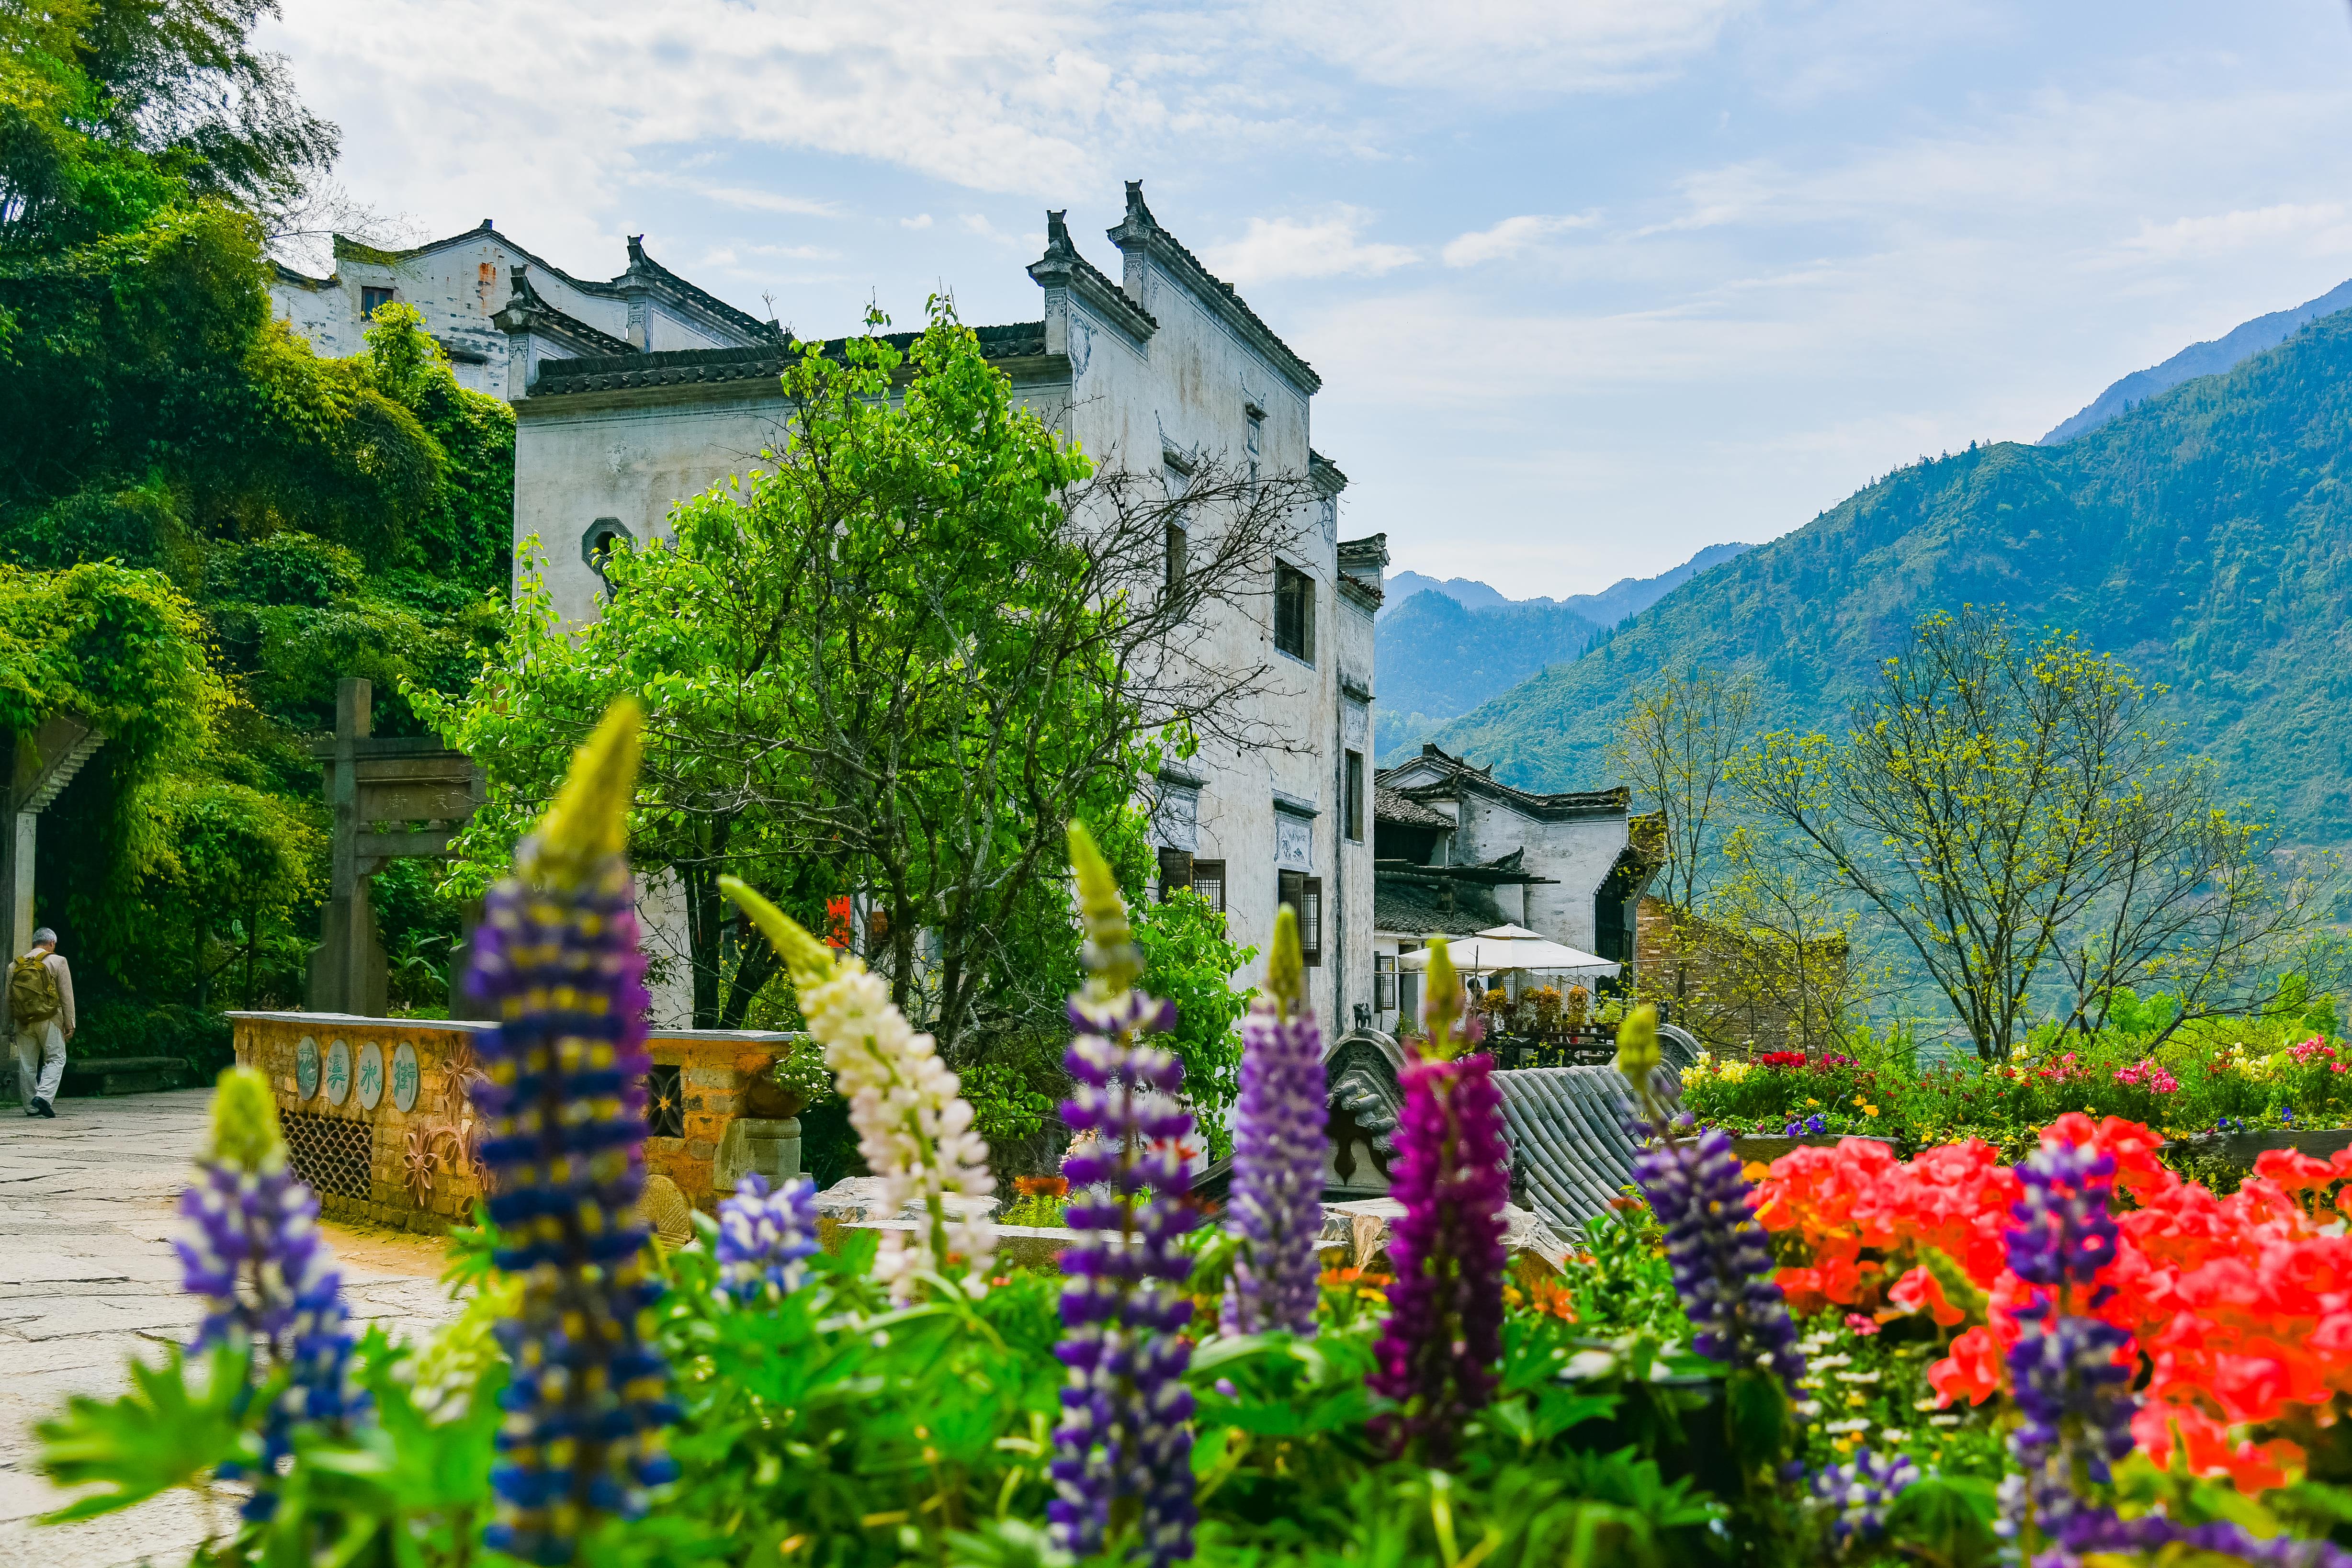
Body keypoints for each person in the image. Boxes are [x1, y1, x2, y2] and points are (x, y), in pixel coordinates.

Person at [6, 928, 73, 1119]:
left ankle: (30, 1107)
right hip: (50, 1019)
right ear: (51, 944)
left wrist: (8, 1026)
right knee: (57, 1058)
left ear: (34, 943)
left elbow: (7, 999)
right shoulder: (58, 961)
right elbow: (67, 996)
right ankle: (43, 1097)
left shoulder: (15, 966)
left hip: (22, 1021)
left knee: (27, 1063)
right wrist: (70, 1023)